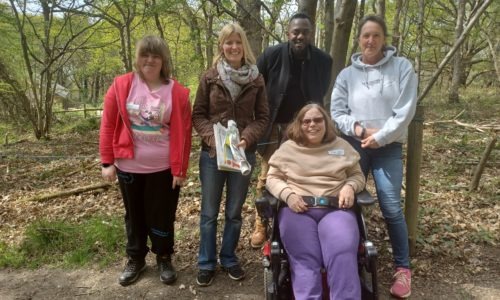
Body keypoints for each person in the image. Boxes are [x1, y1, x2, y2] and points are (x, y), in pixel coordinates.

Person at [331, 15, 418, 299]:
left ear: (384, 39)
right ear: (359, 39)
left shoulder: (402, 68)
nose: (370, 41)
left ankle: (402, 269)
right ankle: (351, 257)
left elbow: (405, 111)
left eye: (376, 35)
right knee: (347, 200)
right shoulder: (347, 74)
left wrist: (380, 136)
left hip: (388, 148)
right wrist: (357, 128)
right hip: (354, 146)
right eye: (365, 35)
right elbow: (337, 111)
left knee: (391, 206)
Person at [99, 35, 192, 286]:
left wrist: (180, 168)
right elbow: (108, 124)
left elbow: (183, 134)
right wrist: (107, 161)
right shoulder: (122, 85)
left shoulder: (178, 92)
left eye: (155, 56)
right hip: (128, 166)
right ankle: (136, 258)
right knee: (134, 215)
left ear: (163, 60)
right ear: (137, 58)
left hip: (163, 168)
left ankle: (163, 256)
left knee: (162, 215)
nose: (150, 60)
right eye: (145, 55)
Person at [192, 23, 269, 287]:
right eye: (228, 42)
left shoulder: (256, 78)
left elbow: (263, 117)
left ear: (243, 45)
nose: (233, 47)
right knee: (209, 212)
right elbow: (198, 115)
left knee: (234, 212)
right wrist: (215, 139)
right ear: (221, 47)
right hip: (213, 155)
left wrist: (247, 137)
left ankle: (228, 258)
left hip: (242, 154)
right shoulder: (210, 77)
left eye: (238, 42)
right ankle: (206, 262)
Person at [250, 12, 333, 248]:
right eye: (296, 32)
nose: (300, 36)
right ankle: (261, 224)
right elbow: (257, 86)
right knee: (268, 175)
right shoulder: (272, 55)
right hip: (275, 125)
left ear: (311, 34)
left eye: (305, 32)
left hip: (308, 127)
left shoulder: (323, 60)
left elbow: (321, 91)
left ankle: (302, 220)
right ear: (288, 33)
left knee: (305, 174)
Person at [265, 103, 365, 299]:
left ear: (326, 123)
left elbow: (357, 176)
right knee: (305, 260)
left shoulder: (341, 146)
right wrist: (288, 195)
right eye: (306, 121)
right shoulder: (288, 148)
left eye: (318, 120)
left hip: (336, 209)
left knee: (342, 254)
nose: (312, 124)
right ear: (299, 125)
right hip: (297, 210)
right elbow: (272, 178)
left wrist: (349, 186)